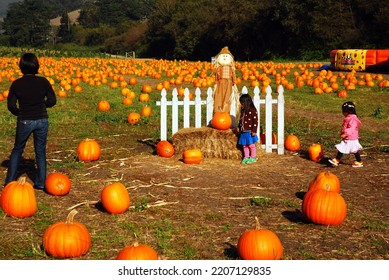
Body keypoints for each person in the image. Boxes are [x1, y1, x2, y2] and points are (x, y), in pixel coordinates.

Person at [4, 53, 57, 189]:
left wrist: (19, 112)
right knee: (40, 151)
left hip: (25, 120)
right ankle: (40, 183)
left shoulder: (16, 84)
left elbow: (11, 105)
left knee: (18, 149)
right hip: (42, 120)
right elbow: (52, 100)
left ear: (21, 67)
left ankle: (10, 181)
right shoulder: (43, 82)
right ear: (36, 66)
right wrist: (43, 105)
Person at [329, 101, 363, 168]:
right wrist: (342, 132)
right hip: (348, 138)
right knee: (343, 148)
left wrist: (345, 134)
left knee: (353, 150)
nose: (342, 113)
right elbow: (345, 127)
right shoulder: (349, 117)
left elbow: (351, 128)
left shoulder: (352, 119)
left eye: (343, 111)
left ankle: (359, 162)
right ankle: (337, 160)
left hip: (351, 138)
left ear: (346, 111)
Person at [212, 46, 238, 115]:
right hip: (220, 82)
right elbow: (217, 75)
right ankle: (218, 110)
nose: (225, 57)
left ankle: (225, 111)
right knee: (219, 96)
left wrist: (234, 82)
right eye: (223, 56)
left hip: (229, 82)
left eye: (226, 56)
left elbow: (233, 75)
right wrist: (216, 81)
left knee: (227, 97)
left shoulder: (231, 68)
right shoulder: (219, 68)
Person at [237, 94, 258, 164]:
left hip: (249, 131)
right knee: (244, 145)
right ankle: (246, 157)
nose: (241, 105)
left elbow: (255, 121)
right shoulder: (243, 111)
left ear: (247, 103)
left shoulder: (253, 110)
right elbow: (241, 120)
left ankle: (253, 157)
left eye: (242, 104)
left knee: (251, 145)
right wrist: (239, 127)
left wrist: (254, 130)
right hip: (243, 131)